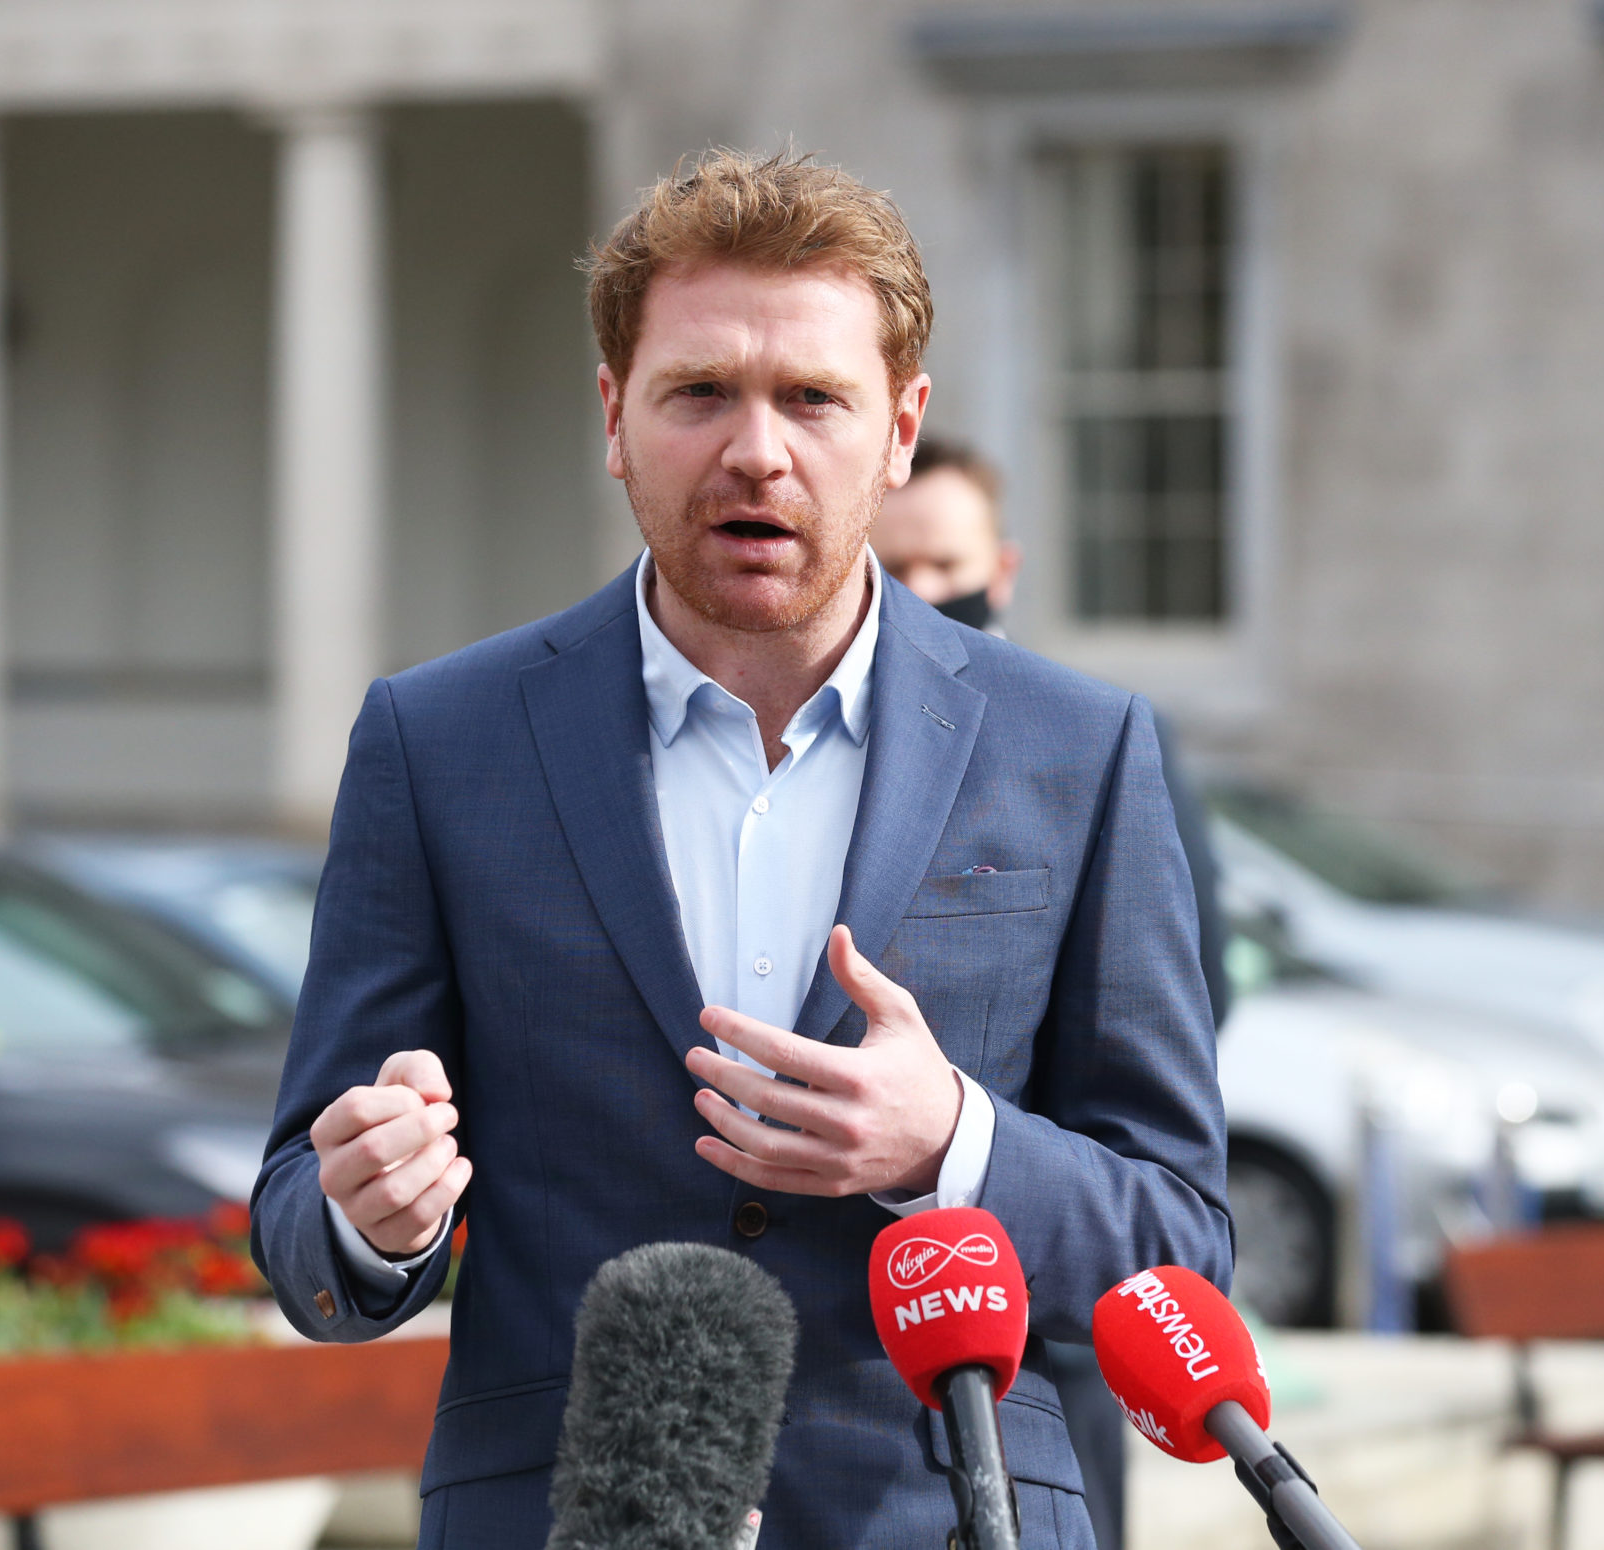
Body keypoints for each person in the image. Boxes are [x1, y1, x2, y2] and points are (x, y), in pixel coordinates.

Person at [251, 149, 1232, 1550]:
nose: (756, 450)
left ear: (900, 432)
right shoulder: (437, 739)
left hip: (952, 1517)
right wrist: (372, 1216)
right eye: (700, 391)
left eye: (813, 399)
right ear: (614, 414)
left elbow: (1183, 1242)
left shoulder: (1077, 748)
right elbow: (306, 1223)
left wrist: (951, 1140)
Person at [872, 439, 1235, 1550]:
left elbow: (1174, 996)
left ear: (1004, 569)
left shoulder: (1091, 734)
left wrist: (977, 1149)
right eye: (897, 569)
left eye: (947, 566)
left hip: (1043, 1318)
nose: (924, 595)